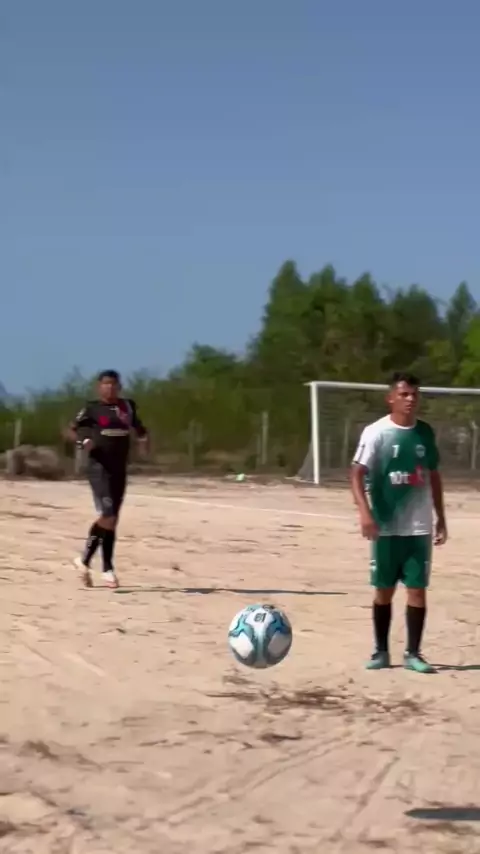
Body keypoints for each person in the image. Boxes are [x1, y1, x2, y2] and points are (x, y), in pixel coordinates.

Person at [351, 371, 447, 674]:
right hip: (386, 526)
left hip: (419, 527)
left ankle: (413, 654)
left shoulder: (425, 433)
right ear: (390, 398)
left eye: (414, 394)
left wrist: (441, 518)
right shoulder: (377, 432)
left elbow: (433, 476)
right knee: (384, 591)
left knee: (417, 590)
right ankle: (380, 651)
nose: (410, 399)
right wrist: (365, 513)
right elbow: (356, 473)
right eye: (404, 394)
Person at [67, 370, 149, 588]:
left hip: (119, 469)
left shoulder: (128, 407)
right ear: (99, 387)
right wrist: (83, 442)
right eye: (105, 384)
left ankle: (98, 566)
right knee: (108, 514)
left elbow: (140, 429)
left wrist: (143, 441)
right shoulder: (91, 408)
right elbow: (72, 430)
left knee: (113, 520)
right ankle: (99, 565)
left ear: (119, 386)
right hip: (99, 468)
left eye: (113, 384)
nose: (110, 388)